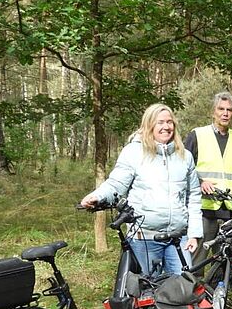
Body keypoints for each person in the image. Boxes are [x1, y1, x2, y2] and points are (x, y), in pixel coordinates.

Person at [81, 103, 202, 275]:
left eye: (170, 122)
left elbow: (193, 196)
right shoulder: (133, 152)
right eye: (160, 122)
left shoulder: (185, 156)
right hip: (144, 238)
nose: (166, 127)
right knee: (147, 294)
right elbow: (116, 184)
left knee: (183, 291)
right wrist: (98, 196)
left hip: (178, 239)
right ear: (149, 124)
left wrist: (194, 233)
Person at [184, 92, 232, 275]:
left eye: (229, 110)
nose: (225, 113)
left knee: (224, 264)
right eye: (221, 109)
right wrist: (200, 182)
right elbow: (182, 170)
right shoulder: (197, 135)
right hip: (203, 211)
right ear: (213, 111)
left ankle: (218, 302)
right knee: (196, 263)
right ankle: (193, 300)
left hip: (230, 214)